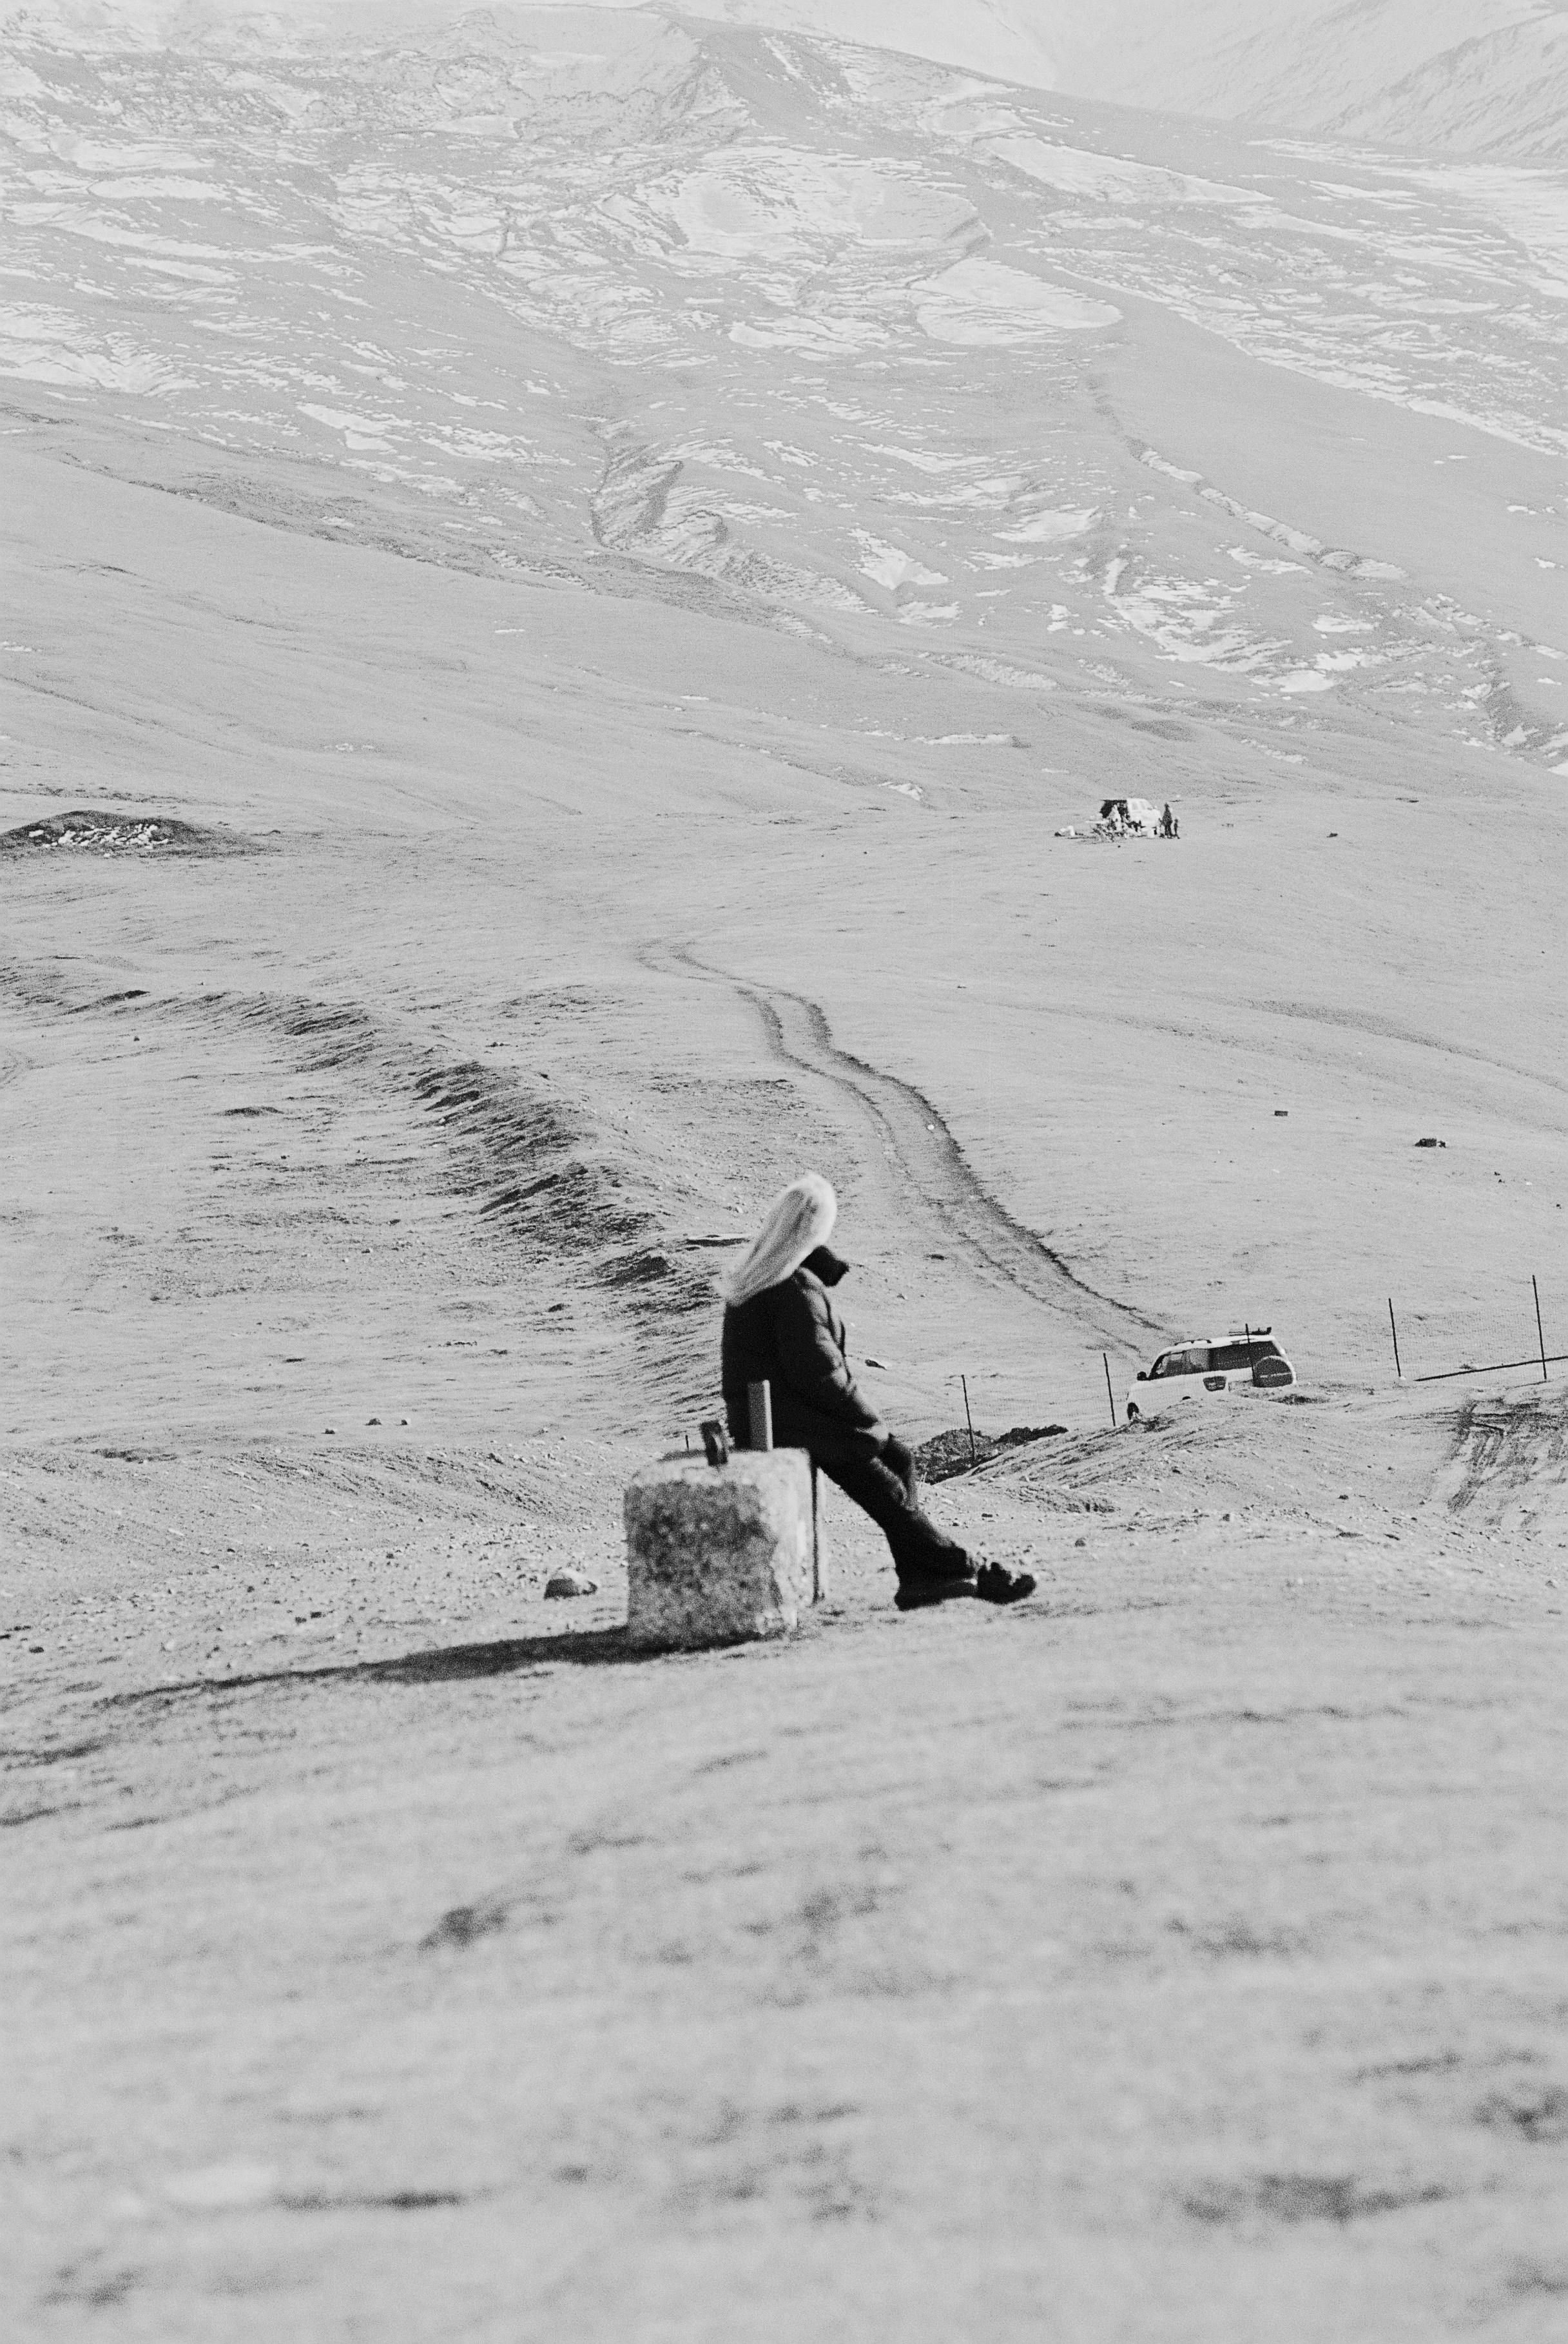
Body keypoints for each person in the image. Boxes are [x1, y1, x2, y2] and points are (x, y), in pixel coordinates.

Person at [719, 1174, 1035, 1611]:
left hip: (782, 1414)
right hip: (786, 1421)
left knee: (897, 1459)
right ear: (814, 1230)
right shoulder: (790, 1290)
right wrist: (869, 1423)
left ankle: (920, 1577)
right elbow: (820, 1374)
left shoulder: (768, 1276)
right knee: (880, 1476)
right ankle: (966, 1567)